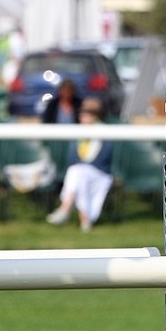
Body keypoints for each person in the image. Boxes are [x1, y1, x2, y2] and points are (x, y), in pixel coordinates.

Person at [45, 97, 114, 231]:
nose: (83, 116)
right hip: (80, 174)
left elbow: (102, 159)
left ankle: (66, 209)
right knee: (77, 173)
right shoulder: (78, 132)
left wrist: (83, 166)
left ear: (95, 116)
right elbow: (73, 159)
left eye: (87, 113)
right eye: (82, 113)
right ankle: (84, 219)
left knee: (77, 173)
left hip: (99, 173)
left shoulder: (104, 132)